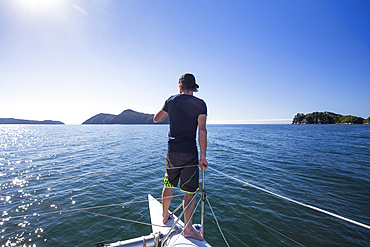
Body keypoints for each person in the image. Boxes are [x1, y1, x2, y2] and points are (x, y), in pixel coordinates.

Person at [153, 73, 208, 241]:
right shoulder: (200, 104)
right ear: (194, 88)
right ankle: (188, 228)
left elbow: (156, 119)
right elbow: (202, 130)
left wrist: (170, 108)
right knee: (190, 191)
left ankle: (164, 216)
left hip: (173, 152)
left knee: (168, 183)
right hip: (190, 153)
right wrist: (203, 157)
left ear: (180, 86)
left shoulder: (171, 100)